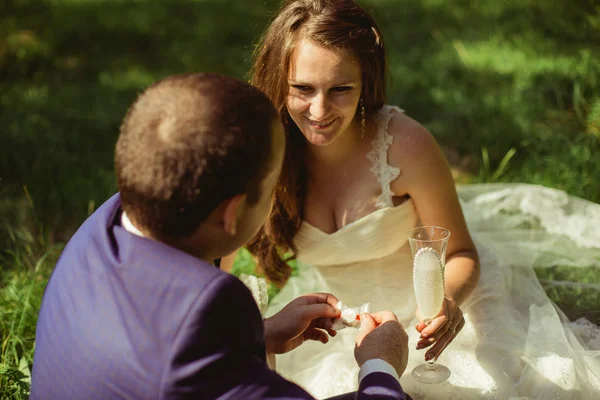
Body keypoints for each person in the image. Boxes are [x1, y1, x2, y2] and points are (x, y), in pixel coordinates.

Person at [221, 0, 600, 398]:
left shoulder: (405, 146)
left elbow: (461, 252)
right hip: (339, 328)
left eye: (340, 90)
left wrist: (445, 303)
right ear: (278, 82)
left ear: (365, 82)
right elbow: (210, 266)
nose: (319, 110)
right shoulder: (264, 156)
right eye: (302, 88)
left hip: (430, 319)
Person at [30, 73, 413, 400]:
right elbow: (183, 353)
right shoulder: (205, 310)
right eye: (270, 185)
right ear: (232, 213)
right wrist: (381, 365)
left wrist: (257, 337)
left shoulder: (104, 224)